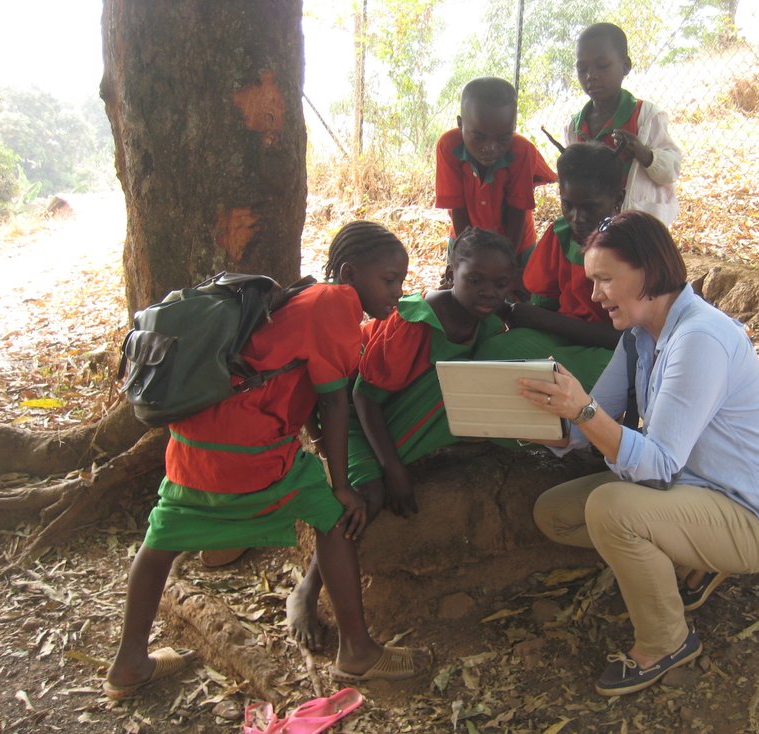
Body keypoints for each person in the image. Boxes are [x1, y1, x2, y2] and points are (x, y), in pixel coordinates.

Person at [104, 222, 425, 700]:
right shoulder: (335, 304)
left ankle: (128, 664)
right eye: (389, 279)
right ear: (349, 272)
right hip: (248, 450)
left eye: (401, 280)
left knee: (160, 540)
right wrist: (341, 484)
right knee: (336, 516)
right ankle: (357, 651)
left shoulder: (304, 299)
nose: (397, 292)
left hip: (194, 443)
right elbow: (334, 403)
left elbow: (303, 389)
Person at [519, 211, 759, 697]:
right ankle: (694, 558)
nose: (595, 295)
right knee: (557, 514)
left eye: (605, 279)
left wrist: (584, 411)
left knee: (610, 510)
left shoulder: (700, 338)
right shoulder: (638, 337)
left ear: (648, 273)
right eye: (593, 281)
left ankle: (666, 642)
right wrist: (544, 422)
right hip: (690, 490)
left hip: (753, 516)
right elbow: (590, 424)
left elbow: (655, 462)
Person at [347, 227, 517, 518]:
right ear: (451, 275)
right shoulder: (417, 324)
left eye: (500, 284)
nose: (489, 292)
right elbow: (363, 396)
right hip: (354, 410)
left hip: (395, 404)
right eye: (475, 280)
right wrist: (393, 469)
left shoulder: (486, 323)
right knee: (370, 495)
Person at [475, 142, 622, 392]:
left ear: (618, 200)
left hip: (612, 351)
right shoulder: (559, 235)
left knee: (576, 381)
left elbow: (626, 340)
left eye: (589, 207)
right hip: (560, 340)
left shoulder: (629, 247)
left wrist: (547, 322)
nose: (577, 217)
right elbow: (544, 306)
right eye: (568, 205)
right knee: (492, 351)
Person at [565, 22, 681, 226]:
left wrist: (644, 153)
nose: (591, 76)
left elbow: (672, 170)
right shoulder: (575, 127)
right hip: (592, 227)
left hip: (639, 228)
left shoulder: (646, 117)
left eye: (602, 66)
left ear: (625, 66)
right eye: (582, 69)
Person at [435, 76, 556, 269]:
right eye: (479, 137)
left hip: (517, 245)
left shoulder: (522, 151)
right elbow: (457, 208)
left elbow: (517, 212)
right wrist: (468, 257)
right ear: (460, 124)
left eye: (503, 138)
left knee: (516, 294)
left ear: (512, 128)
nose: (490, 147)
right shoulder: (448, 146)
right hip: (463, 239)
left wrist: (506, 264)